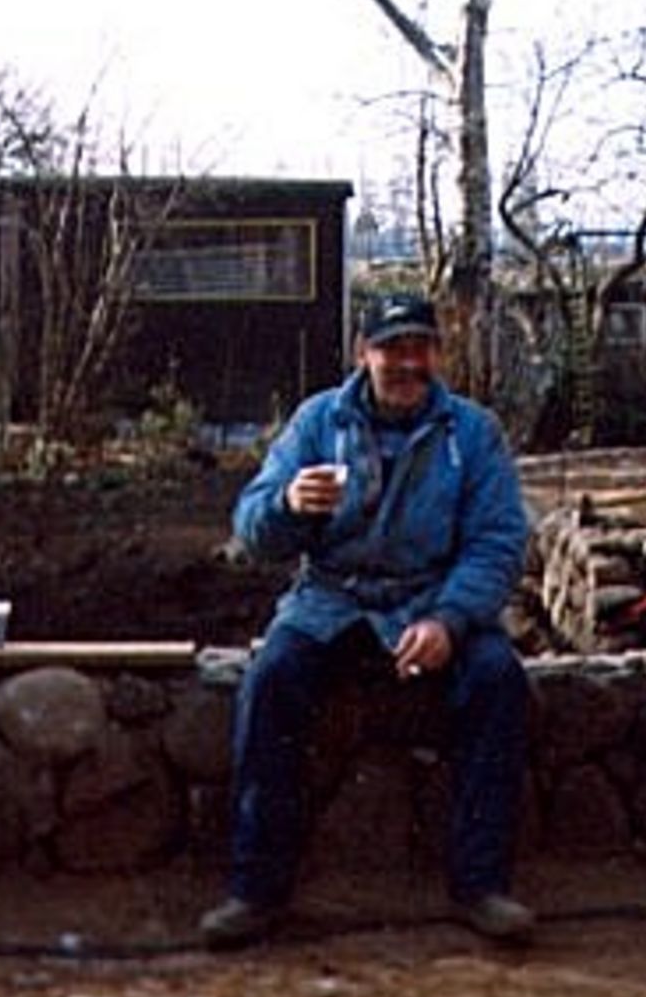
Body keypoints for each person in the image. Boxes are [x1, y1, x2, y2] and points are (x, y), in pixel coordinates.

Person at [200, 291, 536, 950]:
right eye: (392, 348)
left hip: (428, 599)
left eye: (420, 348)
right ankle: (257, 889)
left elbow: (497, 543)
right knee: (271, 680)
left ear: (438, 354)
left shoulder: (473, 433)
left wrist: (449, 620)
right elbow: (252, 526)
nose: (408, 363)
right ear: (363, 353)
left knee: (497, 679)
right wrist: (288, 504)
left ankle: (481, 885)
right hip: (332, 600)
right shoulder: (317, 421)